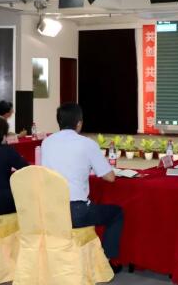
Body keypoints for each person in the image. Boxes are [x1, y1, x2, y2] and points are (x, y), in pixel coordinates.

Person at [41, 103, 123, 266]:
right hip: (76, 212)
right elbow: (110, 177)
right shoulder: (87, 144)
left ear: (59, 121)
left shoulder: (47, 142)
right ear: (79, 123)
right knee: (116, 213)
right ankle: (106, 263)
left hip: (50, 210)